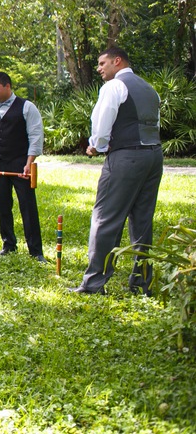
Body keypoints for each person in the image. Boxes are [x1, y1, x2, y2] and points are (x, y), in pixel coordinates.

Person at [70, 47, 163, 295]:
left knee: (105, 218)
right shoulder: (149, 89)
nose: (99, 68)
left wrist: (96, 146)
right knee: (143, 220)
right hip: (154, 156)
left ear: (117, 61)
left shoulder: (114, 86)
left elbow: (103, 122)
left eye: (102, 63)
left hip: (127, 156)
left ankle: (93, 283)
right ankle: (142, 283)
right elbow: (154, 123)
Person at [0, 72, 47, 262]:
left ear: (8, 86)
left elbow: (35, 136)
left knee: (28, 206)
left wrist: (29, 163)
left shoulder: (27, 107)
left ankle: (35, 251)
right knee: (3, 206)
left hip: (21, 166)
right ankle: (8, 244)